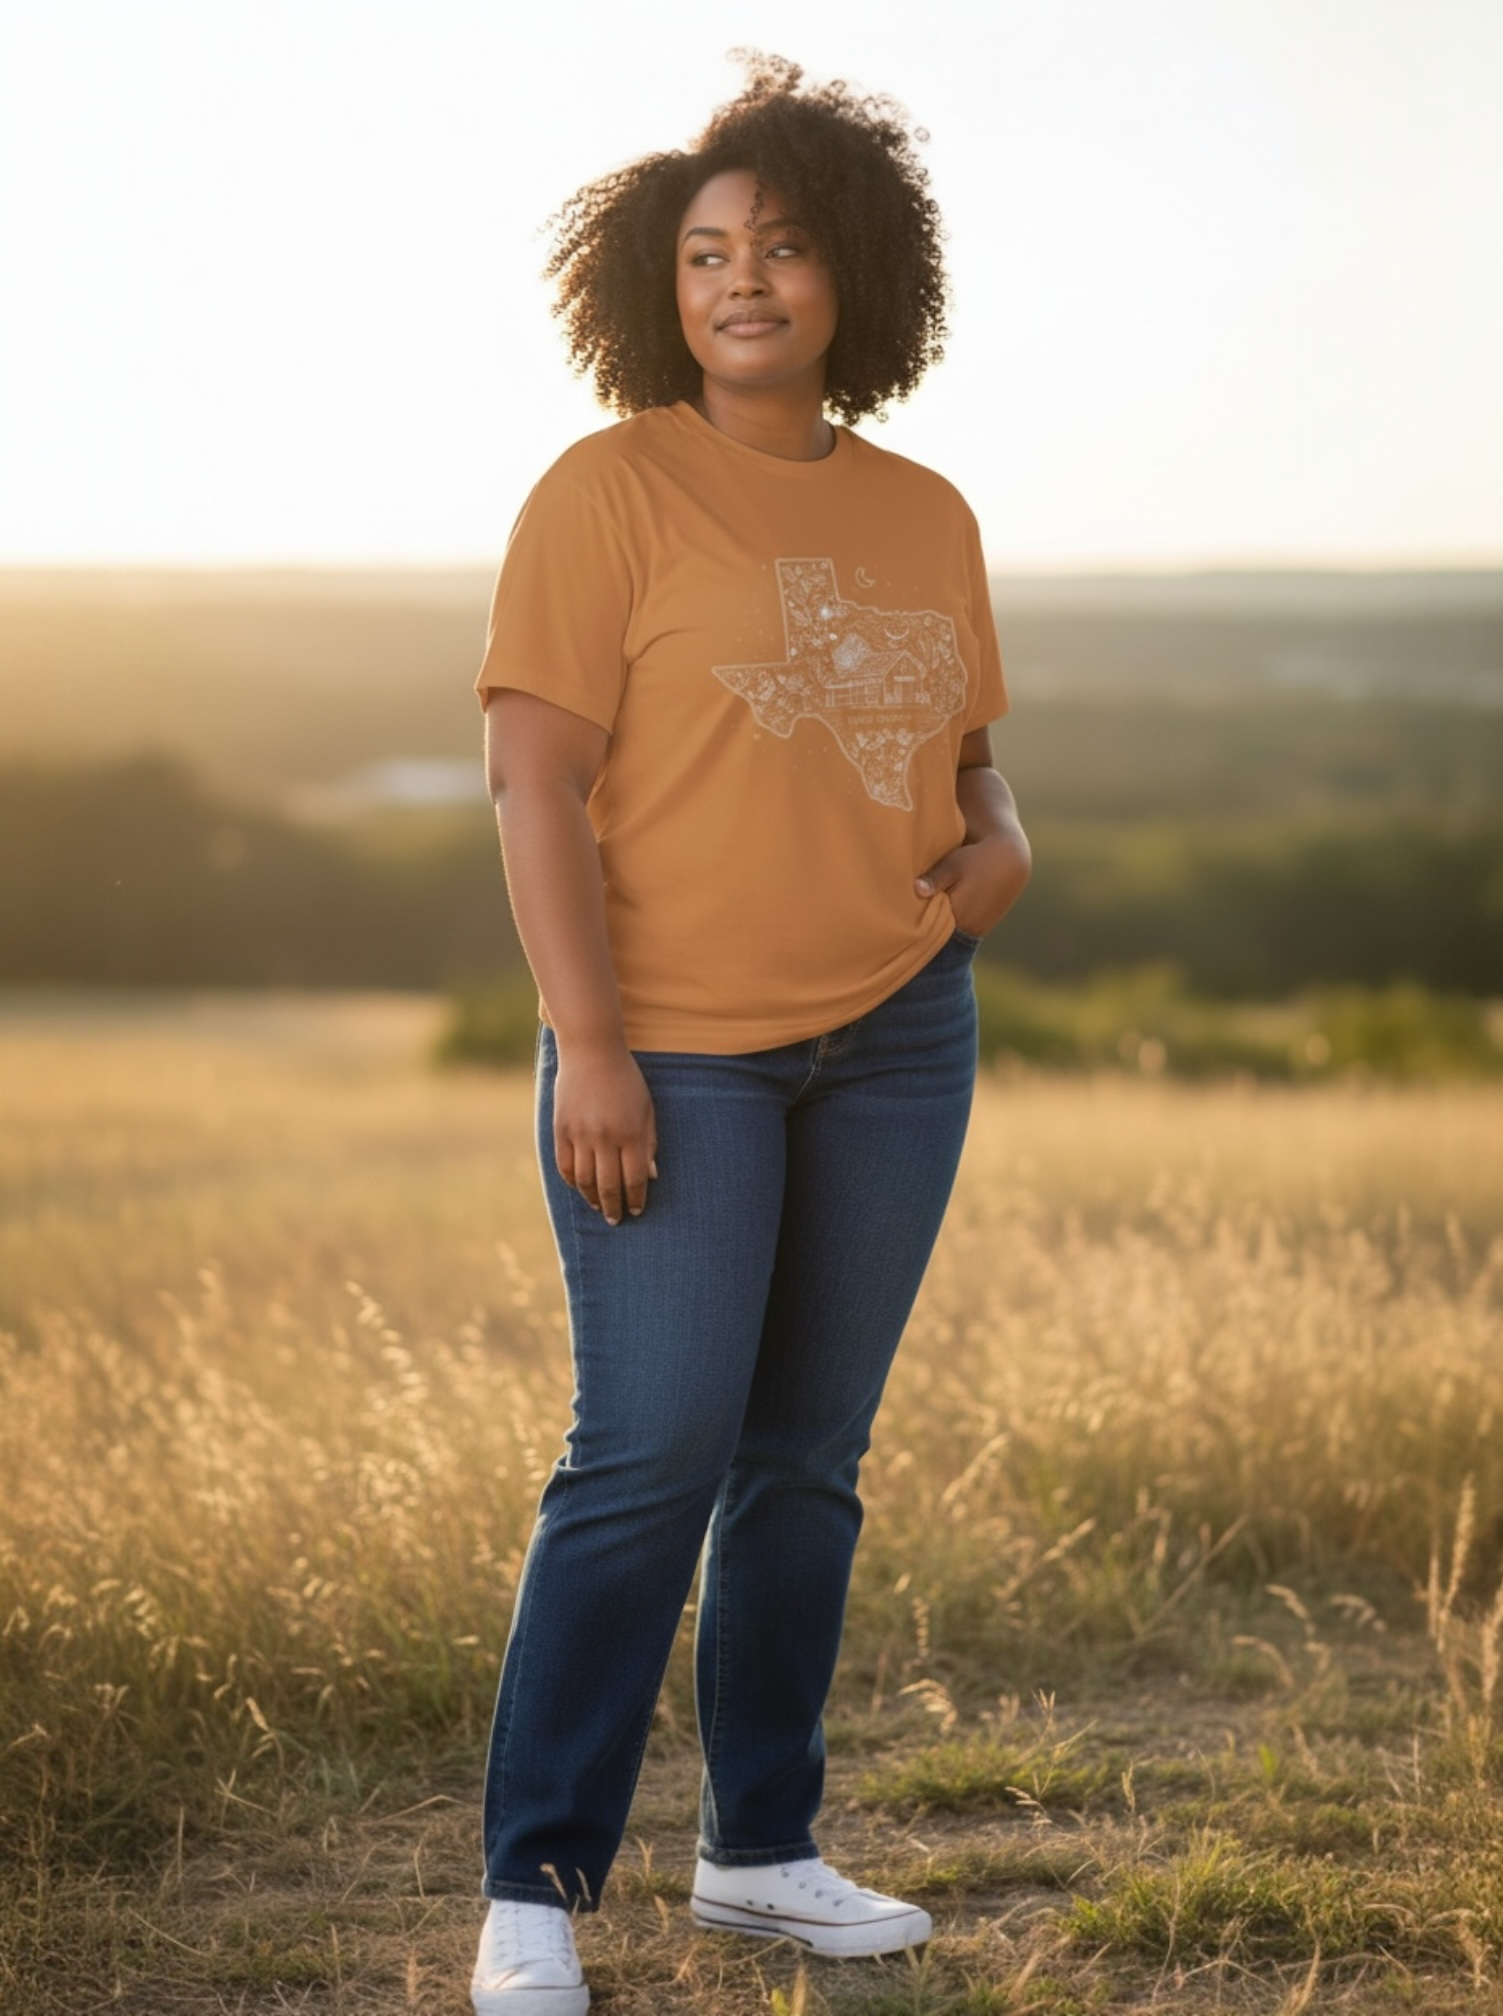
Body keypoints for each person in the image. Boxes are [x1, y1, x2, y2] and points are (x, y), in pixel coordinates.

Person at [469, 54, 1032, 2016]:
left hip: (896, 1036)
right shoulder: (609, 491)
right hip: (675, 1049)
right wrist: (591, 1047)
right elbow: (534, 788)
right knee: (649, 1448)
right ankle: (535, 1885)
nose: (744, 281)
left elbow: (965, 769)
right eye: (707, 252)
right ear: (658, 285)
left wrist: (1000, 856)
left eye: (785, 246)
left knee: (804, 1458)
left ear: (855, 274)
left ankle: (762, 1853)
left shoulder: (925, 512)